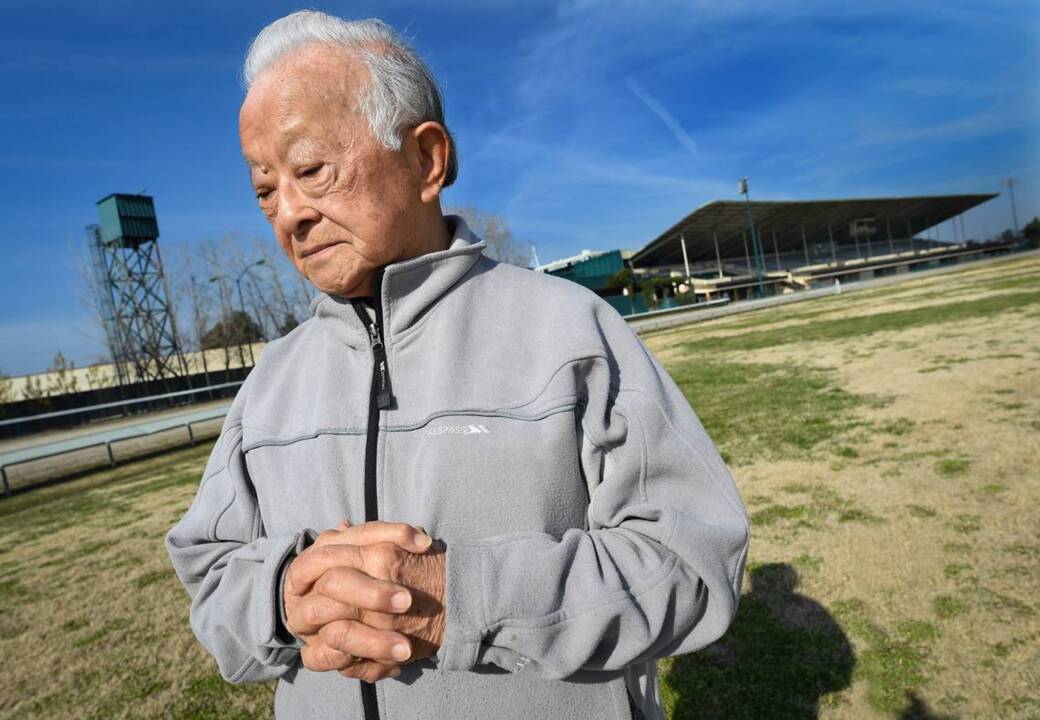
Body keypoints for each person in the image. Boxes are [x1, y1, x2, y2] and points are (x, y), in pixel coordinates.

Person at [166, 10, 749, 720]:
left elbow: (692, 563)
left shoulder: (570, 331)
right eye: (265, 189)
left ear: (426, 160)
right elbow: (211, 578)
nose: (288, 213)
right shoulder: (270, 384)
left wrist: (459, 599)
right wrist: (282, 596)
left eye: (311, 170)